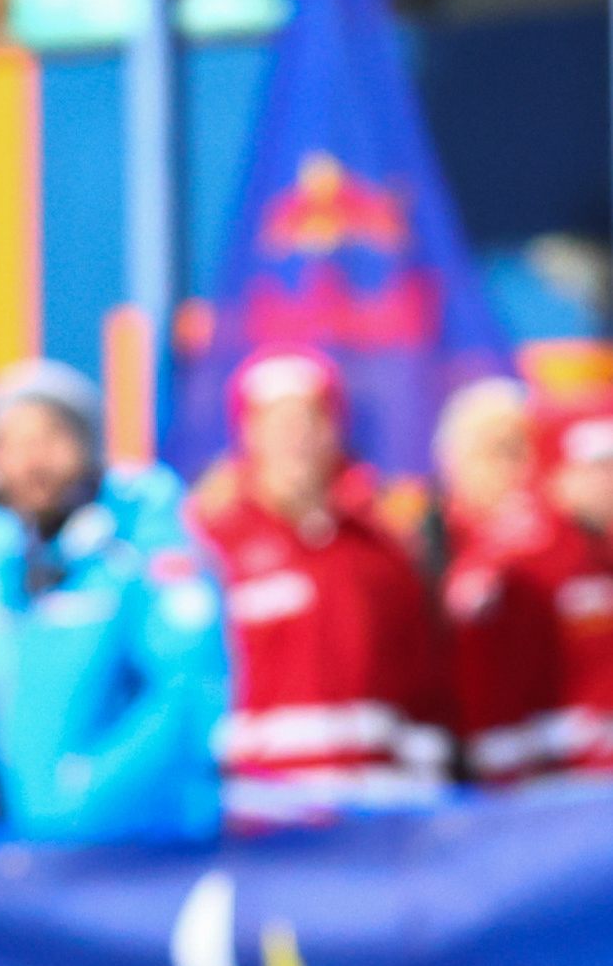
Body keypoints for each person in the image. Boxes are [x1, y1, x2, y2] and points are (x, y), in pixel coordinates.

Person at [0, 364, 228, 842]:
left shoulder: (142, 546)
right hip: (30, 862)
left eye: (49, 438)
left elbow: (191, 691)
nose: (32, 462)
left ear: (88, 445)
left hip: (145, 855)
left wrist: (78, 803)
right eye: (13, 444)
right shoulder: (1, 565)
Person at [190, 345, 448, 817]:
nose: (297, 438)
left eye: (311, 419)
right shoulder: (211, 546)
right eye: (278, 423)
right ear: (249, 433)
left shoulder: (383, 547)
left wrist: (425, 792)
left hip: (378, 812)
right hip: (260, 816)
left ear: (335, 429)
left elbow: (422, 684)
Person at [447, 401, 613, 786]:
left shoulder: (595, 552)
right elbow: (486, 686)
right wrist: (509, 787)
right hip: (553, 798)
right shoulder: (518, 558)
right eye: (598, 468)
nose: (609, 481)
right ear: (558, 472)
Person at [426, 374, 534, 580]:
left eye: (522, 453)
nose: (515, 469)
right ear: (451, 461)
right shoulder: (420, 546)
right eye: (497, 450)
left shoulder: (567, 544)